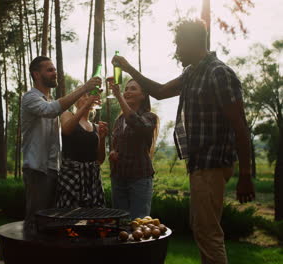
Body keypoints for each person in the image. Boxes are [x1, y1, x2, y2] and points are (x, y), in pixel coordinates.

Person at [112, 19, 255, 264]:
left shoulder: (218, 72)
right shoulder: (192, 73)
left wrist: (245, 175)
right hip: (199, 163)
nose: (176, 51)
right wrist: (128, 68)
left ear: (193, 42)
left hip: (213, 162)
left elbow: (240, 126)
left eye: (179, 44)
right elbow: (159, 91)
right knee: (201, 229)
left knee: (208, 232)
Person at [21, 56, 101, 232]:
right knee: (36, 220)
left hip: (53, 170)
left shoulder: (49, 101)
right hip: (37, 169)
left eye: (55, 69)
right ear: (36, 74)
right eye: (49, 70)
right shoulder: (30, 98)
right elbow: (51, 111)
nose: (55, 72)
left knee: (49, 221)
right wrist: (84, 89)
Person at [108, 79, 158, 220]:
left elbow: (137, 124)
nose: (127, 92)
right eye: (126, 88)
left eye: (133, 89)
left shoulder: (149, 117)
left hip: (139, 177)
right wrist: (113, 152)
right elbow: (116, 145)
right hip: (118, 177)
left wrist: (118, 97)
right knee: (120, 222)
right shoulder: (119, 120)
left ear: (143, 95)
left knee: (139, 221)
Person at [56, 93, 109, 208]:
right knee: (70, 216)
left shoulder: (96, 127)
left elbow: (100, 159)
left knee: (92, 218)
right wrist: (86, 105)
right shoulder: (67, 115)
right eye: (83, 95)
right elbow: (66, 130)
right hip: (71, 177)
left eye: (89, 95)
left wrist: (103, 137)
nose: (87, 97)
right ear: (75, 100)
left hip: (92, 179)